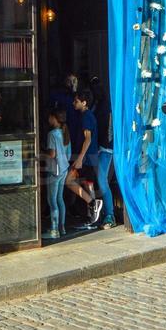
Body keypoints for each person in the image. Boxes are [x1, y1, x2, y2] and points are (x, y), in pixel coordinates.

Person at [66, 89, 102, 225]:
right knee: (89, 185)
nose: (73, 103)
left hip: (86, 157)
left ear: (84, 103)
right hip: (90, 156)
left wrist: (80, 158)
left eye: (76, 101)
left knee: (69, 181)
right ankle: (92, 217)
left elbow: (88, 139)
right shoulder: (88, 115)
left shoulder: (86, 117)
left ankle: (92, 204)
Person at [44, 109, 71, 238]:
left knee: (52, 200)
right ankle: (62, 227)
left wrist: (40, 154)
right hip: (64, 169)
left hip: (54, 170)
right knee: (60, 199)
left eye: (50, 117)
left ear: (54, 118)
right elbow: (69, 154)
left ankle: (54, 230)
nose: (48, 119)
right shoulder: (65, 132)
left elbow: (52, 154)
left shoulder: (52, 134)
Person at [96, 95, 116, 229]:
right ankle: (107, 213)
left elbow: (109, 132)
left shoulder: (108, 107)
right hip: (105, 148)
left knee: (102, 181)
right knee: (102, 181)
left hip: (107, 149)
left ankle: (110, 214)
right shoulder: (107, 105)